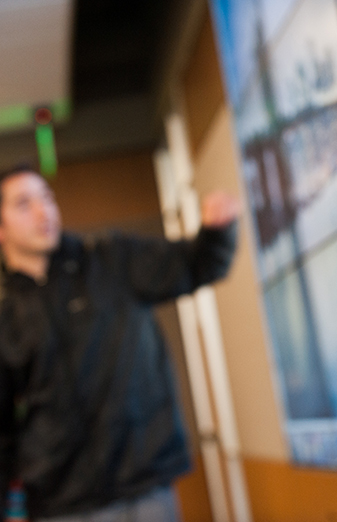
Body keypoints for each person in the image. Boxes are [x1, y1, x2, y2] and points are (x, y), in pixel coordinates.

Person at [0, 165, 240, 521]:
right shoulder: (6, 316)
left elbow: (199, 263)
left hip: (146, 490)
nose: (43, 211)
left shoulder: (111, 261)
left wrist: (217, 233)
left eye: (47, 198)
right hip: (62, 504)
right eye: (24, 204)